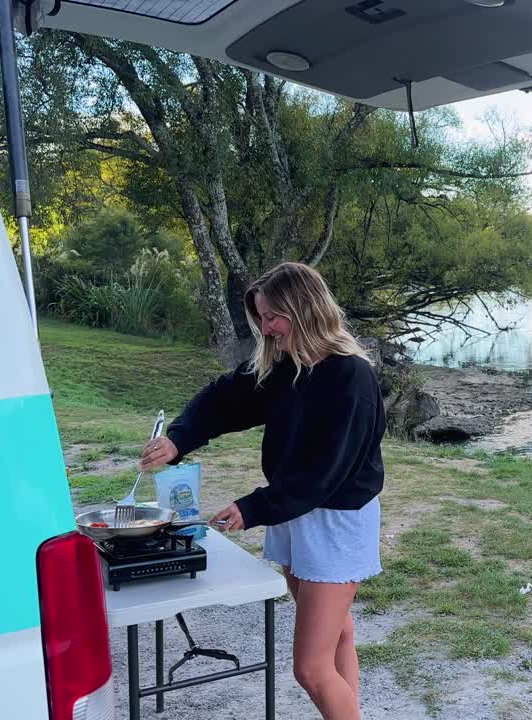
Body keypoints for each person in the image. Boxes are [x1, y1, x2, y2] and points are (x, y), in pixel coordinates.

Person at [139, 261, 384, 720]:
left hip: (335, 518)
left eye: (273, 316)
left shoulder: (352, 377)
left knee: (310, 669)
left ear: (305, 308)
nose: (266, 329)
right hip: (293, 510)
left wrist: (253, 508)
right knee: (340, 634)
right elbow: (223, 399)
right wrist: (178, 438)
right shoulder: (286, 368)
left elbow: (325, 473)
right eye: (261, 318)